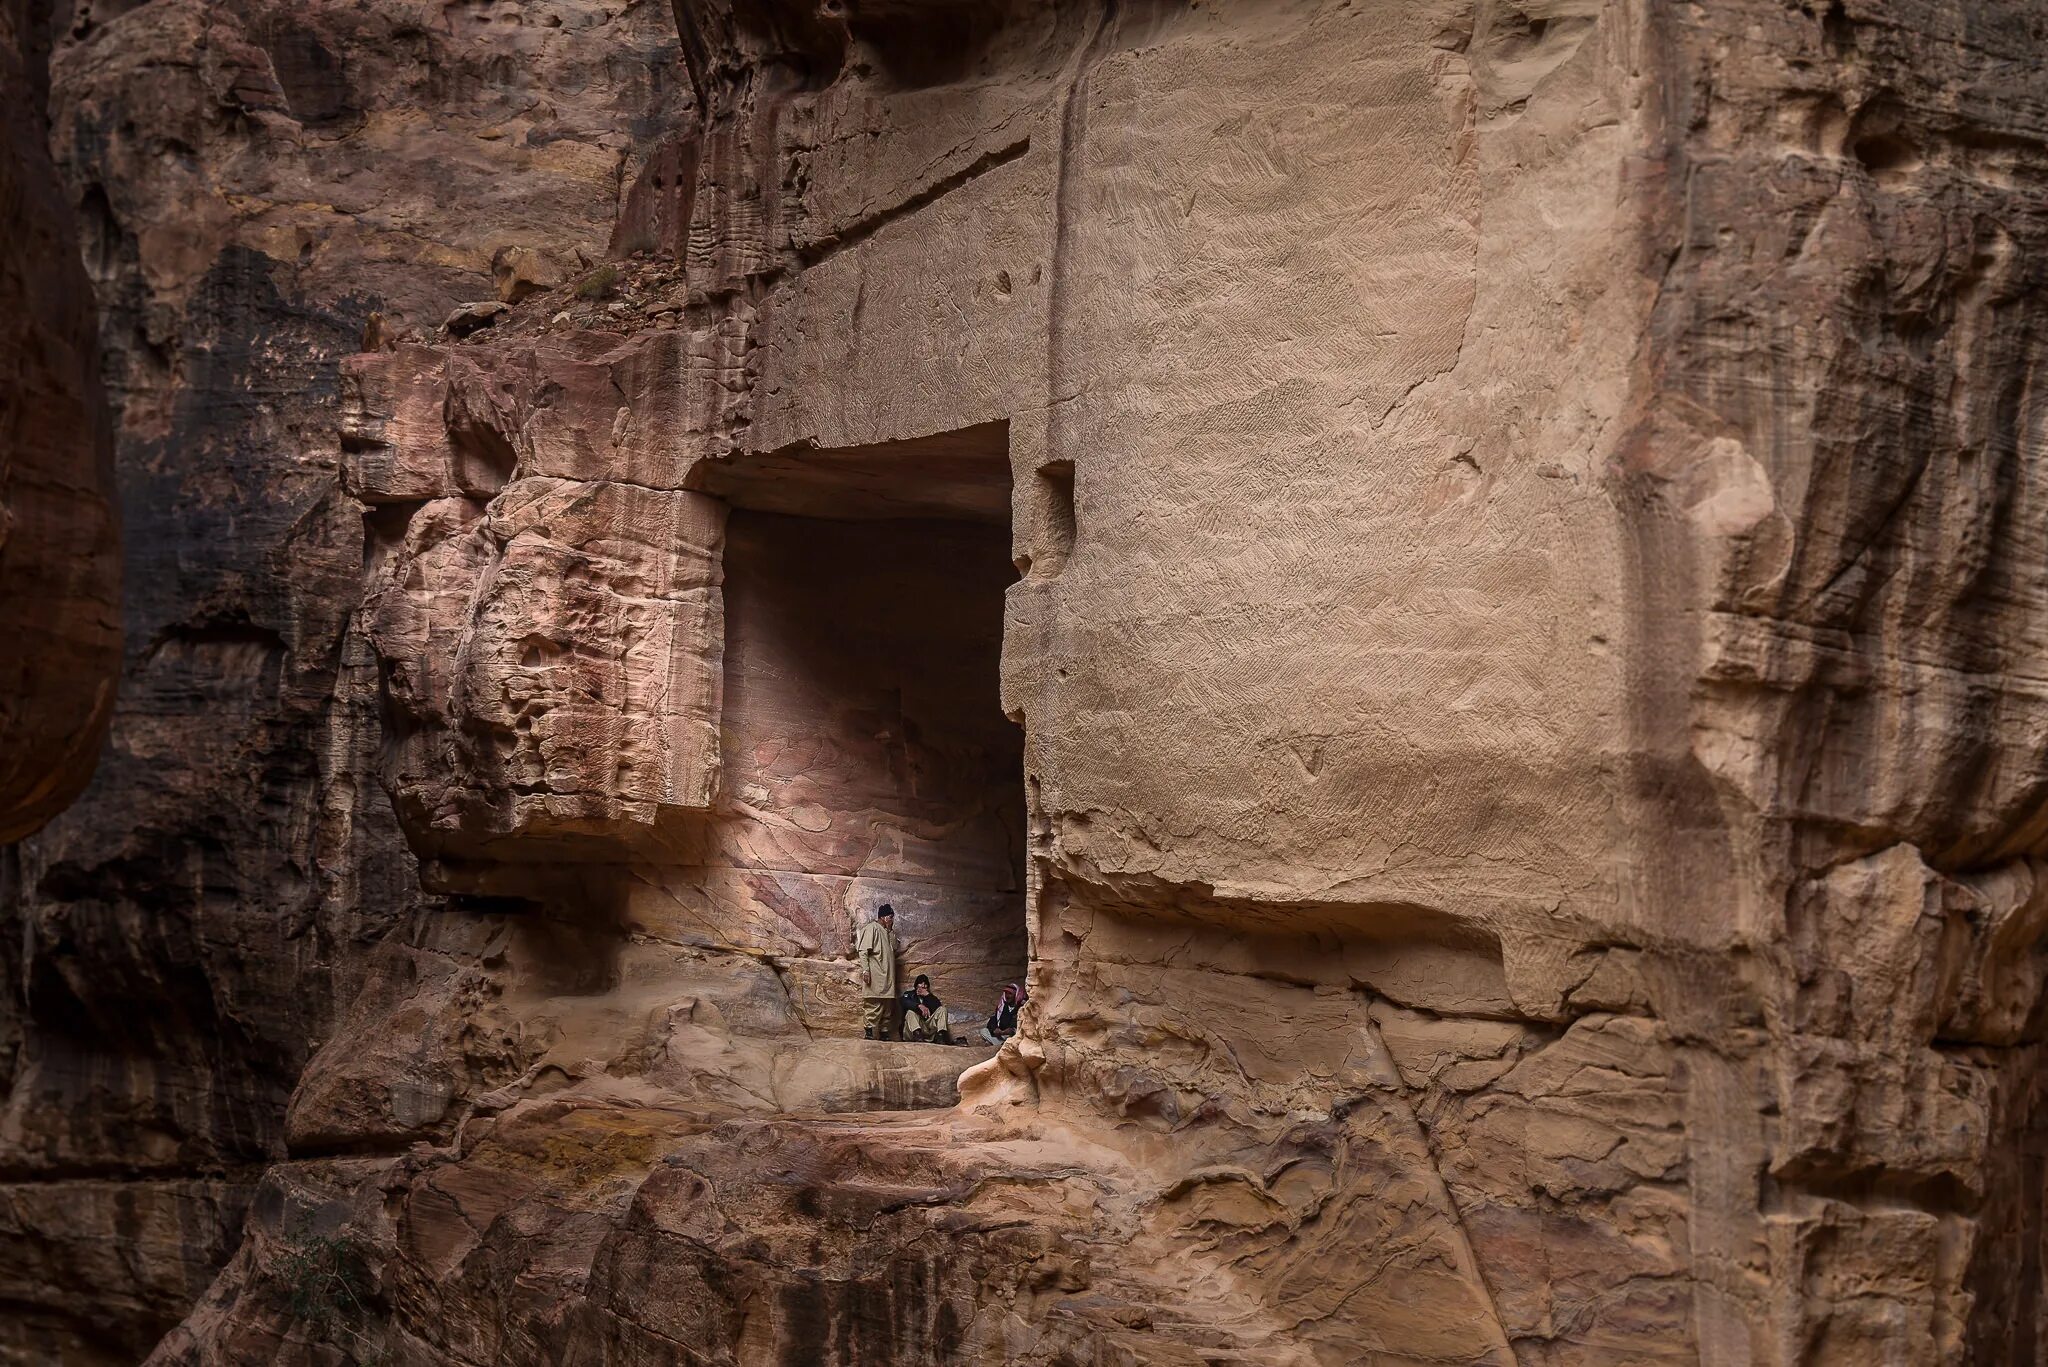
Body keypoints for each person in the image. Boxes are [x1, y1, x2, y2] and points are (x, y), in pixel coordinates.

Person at [855, 904, 899, 1039]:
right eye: (891, 917)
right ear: (884, 917)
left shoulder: (888, 931)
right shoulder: (871, 928)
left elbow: (895, 947)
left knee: (887, 1005)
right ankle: (869, 1032)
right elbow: (863, 951)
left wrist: (890, 930)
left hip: (888, 975)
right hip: (876, 974)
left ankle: (884, 1032)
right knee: (873, 1004)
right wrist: (866, 971)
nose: (892, 920)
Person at [899, 974, 952, 1044]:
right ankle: (918, 1036)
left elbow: (937, 1007)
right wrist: (919, 1006)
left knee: (942, 1009)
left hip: (926, 1029)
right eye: (921, 983)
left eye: (925, 984)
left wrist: (927, 996)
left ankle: (941, 1037)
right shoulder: (909, 994)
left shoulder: (931, 997)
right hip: (911, 1031)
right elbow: (904, 1002)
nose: (923, 986)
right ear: (916, 985)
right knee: (910, 1012)